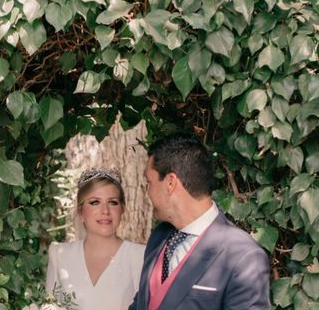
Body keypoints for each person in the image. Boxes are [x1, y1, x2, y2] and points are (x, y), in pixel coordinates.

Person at [129, 133, 271, 310]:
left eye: (149, 182)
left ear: (170, 183)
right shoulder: (159, 237)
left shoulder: (244, 256)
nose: (147, 192)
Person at [45, 168, 145, 310]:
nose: (105, 211)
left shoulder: (140, 256)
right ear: (81, 212)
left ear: (122, 209)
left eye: (112, 202)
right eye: (94, 202)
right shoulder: (59, 255)